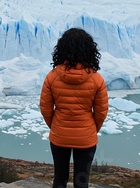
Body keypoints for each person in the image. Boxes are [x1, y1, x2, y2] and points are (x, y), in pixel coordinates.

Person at [40, 27, 109, 188]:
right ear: (89, 50)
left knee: (59, 180)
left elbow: (45, 108)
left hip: (59, 135)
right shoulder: (96, 79)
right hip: (86, 137)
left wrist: (56, 126)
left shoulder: (52, 76)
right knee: (81, 182)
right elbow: (101, 112)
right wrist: (91, 129)